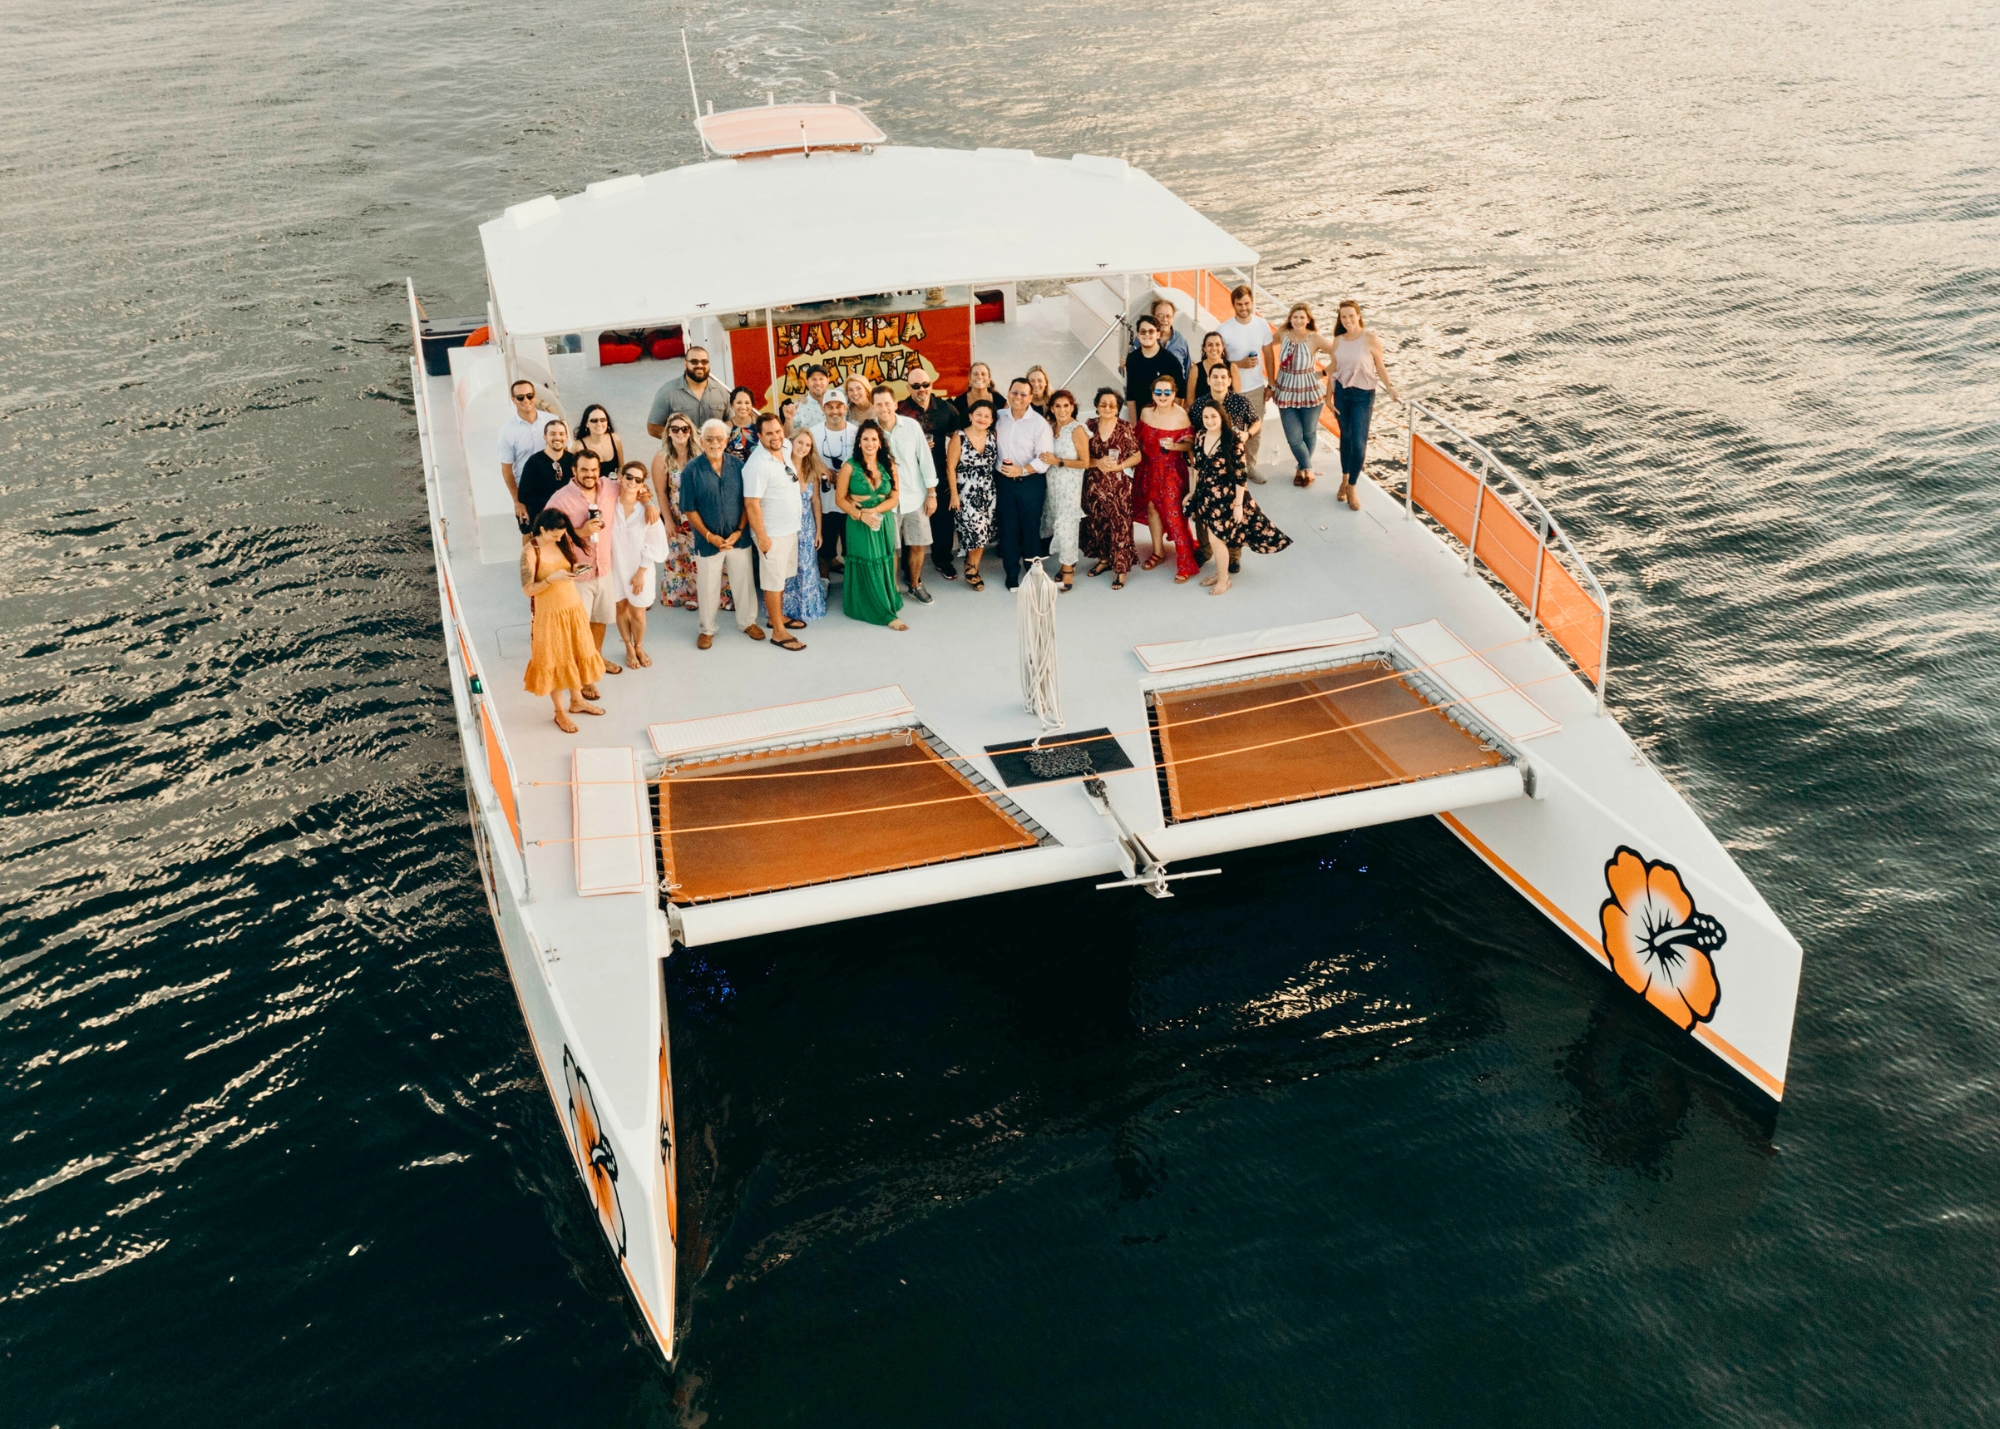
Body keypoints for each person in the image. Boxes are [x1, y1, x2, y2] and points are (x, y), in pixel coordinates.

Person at [1186, 403, 1291, 595]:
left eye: (1213, 416)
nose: (1209, 421)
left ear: (1221, 417)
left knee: (1216, 540)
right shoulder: (1201, 435)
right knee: (1216, 538)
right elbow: (1198, 468)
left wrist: (1238, 505)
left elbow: (1240, 474)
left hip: (1227, 498)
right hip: (1207, 496)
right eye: (1206, 417)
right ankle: (1221, 574)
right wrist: (1193, 492)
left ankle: (1224, 580)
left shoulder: (1232, 438)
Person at [520, 509, 606, 732]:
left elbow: (564, 566)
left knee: (575, 655)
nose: (559, 539)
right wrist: (551, 579)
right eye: (555, 535)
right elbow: (528, 590)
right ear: (542, 529)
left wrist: (573, 570)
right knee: (555, 660)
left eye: (561, 535)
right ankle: (559, 712)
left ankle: (577, 701)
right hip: (549, 615)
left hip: (572, 608)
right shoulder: (530, 551)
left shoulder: (561, 542)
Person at [681, 419, 763, 649]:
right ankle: (707, 629)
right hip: (708, 541)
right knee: (708, 586)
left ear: (727, 440)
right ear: (701, 441)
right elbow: (689, 508)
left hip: (738, 538)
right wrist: (709, 536)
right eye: (709, 439)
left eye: (719, 439)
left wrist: (739, 531)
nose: (714, 443)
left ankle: (748, 622)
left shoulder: (738, 466)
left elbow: (747, 501)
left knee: (744, 582)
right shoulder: (691, 470)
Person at [544, 451, 624, 676]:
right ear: (574, 471)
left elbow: (633, 487)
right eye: (584, 470)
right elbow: (545, 536)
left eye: (594, 470)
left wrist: (649, 503)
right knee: (578, 626)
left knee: (599, 620)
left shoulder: (608, 487)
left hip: (603, 570)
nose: (590, 475)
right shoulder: (560, 500)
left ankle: (596, 658)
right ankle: (584, 671)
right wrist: (580, 532)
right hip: (577, 575)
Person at [1329, 299, 1404, 512]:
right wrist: (1327, 397)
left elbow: (1380, 366)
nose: (1347, 320)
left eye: (1351, 316)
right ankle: (1344, 479)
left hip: (1363, 396)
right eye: (1344, 317)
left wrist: (1390, 387)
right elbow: (1334, 369)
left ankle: (1352, 486)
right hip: (1341, 394)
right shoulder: (1338, 340)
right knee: (1346, 438)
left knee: (1359, 443)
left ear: (1358, 316)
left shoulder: (1370, 339)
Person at [742, 412, 807, 652]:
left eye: (778, 431)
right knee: (773, 583)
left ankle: (774, 618)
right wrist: (762, 538)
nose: (776, 436)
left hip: (790, 529)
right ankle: (778, 632)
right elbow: (751, 504)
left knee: (781, 578)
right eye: (769, 433)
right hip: (772, 535)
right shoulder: (757, 465)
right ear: (759, 436)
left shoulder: (786, 447)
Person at [870, 386, 939, 603]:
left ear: (895, 404)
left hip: (915, 497)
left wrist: (931, 494)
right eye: (879, 404)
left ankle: (915, 584)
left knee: (918, 544)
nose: (884, 408)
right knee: (890, 549)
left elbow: (925, 460)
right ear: (873, 407)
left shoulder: (911, 426)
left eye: (887, 403)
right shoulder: (869, 432)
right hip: (885, 502)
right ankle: (892, 590)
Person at [837, 421, 908, 630]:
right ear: (859, 442)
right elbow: (839, 499)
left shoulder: (889, 465)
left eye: (874, 439)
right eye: (865, 439)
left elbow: (894, 498)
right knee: (868, 560)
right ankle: (882, 612)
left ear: (880, 442)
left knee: (884, 559)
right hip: (859, 523)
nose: (869, 443)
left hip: (883, 521)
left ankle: (886, 598)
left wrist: (874, 511)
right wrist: (861, 515)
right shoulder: (849, 466)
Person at [900, 364, 964, 579]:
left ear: (931, 385)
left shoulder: (946, 409)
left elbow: (957, 437)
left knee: (943, 521)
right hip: (910, 478)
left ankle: (943, 560)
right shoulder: (900, 411)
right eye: (916, 385)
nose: (921, 389)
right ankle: (909, 569)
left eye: (925, 384)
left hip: (939, 475)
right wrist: (915, 446)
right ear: (908, 388)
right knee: (911, 524)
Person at [1270, 301, 1342, 487]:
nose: (1298, 321)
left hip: (1309, 390)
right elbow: (1265, 343)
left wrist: (1323, 372)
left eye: (1302, 317)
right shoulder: (1283, 333)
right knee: (1294, 438)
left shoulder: (1314, 338)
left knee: (1309, 433)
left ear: (1308, 319)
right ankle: (1308, 467)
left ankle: (1301, 469)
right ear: (1290, 319)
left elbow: (1338, 354)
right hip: (1285, 390)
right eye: (1295, 317)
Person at [994, 377, 1055, 589]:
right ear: (1008, 393)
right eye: (1014, 392)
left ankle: (1033, 573)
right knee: (1008, 529)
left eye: (1023, 394)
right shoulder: (998, 417)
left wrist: (1021, 470)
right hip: (1004, 483)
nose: (1018, 397)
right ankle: (1011, 574)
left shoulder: (1039, 424)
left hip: (1030, 483)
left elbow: (1044, 460)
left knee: (1030, 529)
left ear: (1030, 398)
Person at [1136, 376, 1198, 582]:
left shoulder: (1181, 415)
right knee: (1151, 509)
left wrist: (1175, 446)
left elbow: (1190, 445)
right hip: (1148, 469)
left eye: (1167, 392)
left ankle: (1185, 562)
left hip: (1172, 472)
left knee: (1174, 515)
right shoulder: (1146, 412)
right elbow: (1137, 439)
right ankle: (1158, 551)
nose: (1162, 396)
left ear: (1174, 394)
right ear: (1153, 394)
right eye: (1158, 392)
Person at [608, 460, 669, 665]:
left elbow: (655, 544)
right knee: (620, 608)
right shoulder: (610, 504)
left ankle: (639, 646)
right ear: (620, 477)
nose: (632, 482)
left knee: (638, 612)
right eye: (629, 477)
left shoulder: (646, 511)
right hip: (616, 567)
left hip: (640, 568)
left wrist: (641, 573)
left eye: (638, 479)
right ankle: (628, 646)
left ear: (643, 484)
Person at [1081, 388, 1141, 589]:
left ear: (1117, 408)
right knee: (1097, 523)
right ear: (1097, 406)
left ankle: (1120, 568)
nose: (1107, 408)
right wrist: (1096, 461)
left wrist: (1120, 466)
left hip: (1118, 485)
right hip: (1093, 485)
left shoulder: (1124, 427)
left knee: (1120, 525)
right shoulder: (1089, 426)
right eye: (1103, 404)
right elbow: (1081, 456)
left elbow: (1137, 455)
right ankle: (1105, 560)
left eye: (1112, 405)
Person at [1217, 285, 1276, 480]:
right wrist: (1240, 364)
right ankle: (1229, 468)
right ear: (1233, 305)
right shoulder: (1224, 330)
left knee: (1255, 430)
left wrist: (1271, 385)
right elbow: (1218, 362)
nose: (1244, 308)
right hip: (1231, 389)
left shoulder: (1261, 324)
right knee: (1230, 430)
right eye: (1239, 304)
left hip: (1256, 387)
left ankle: (1249, 466)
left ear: (1252, 302)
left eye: (1247, 303)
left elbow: (1269, 355)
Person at [649, 414, 701, 610]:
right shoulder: (661, 457)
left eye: (684, 428)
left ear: (690, 431)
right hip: (677, 514)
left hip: (698, 513)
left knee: (699, 555)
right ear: (668, 432)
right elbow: (661, 492)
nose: (680, 432)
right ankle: (683, 594)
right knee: (680, 555)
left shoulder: (699, 454)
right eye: (675, 429)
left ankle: (701, 594)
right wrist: (668, 521)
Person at [947, 399, 1000, 590]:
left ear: (991, 420)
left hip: (988, 491)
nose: (982, 419)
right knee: (976, 529)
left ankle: (974, 566)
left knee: (983, 531)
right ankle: (971, 567)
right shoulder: (959, 437)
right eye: (978, 414)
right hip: (966, 492)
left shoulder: (993, 436)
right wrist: (954, 495)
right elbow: (950, 468)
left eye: (987, 416)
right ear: (970, 416)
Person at [1041, 390, 1087, 590]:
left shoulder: (1077, 429)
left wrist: (1058, 461)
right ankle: (1066, 561)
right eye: (1058, 406)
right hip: (1051, 485)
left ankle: (1068, 568)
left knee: (1067, 524)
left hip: (1070, 485)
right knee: (1056, 523)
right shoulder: (1049, 429)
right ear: (1051, 408)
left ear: (1072, 407)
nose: (1062, 410)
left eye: (1066, 405)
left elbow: (1085, 462)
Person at [783, 429, 828, 624]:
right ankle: (785, 610)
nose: (803, 447)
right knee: (787, 568)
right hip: (785, 526)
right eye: (800, 442)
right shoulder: (782, 467)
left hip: (807, 526)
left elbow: (816, 501)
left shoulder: (811, 470)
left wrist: (818, 531)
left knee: (806, 567)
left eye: (808, 445)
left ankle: (807, 608)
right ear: (791, 442)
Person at [809, 392, 856, 577]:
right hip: (824, 501)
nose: (834, 411)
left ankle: (852, 584)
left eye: (839, 407)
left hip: (849, 501)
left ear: (845, 408)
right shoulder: (813, 432)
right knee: (824, 548)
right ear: (823, 409)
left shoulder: (855, 432)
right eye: (830, 407)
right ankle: (824, 581)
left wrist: (842, 476)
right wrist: (822, 468)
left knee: (851, 549)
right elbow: (806, 457)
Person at [500, 379, 556, 529]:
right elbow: (506, 469)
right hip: (527, 490)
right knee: (529, 531)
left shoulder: (552, 421)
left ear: (535, 396)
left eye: (529, 395)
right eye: (520, 397)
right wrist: (517, 501)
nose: (526, 400)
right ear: (513, 400)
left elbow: (566, 453)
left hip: (553, 486)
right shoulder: (507, 432)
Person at [646, 345, 728, 439]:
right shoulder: (667, 392)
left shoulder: (721, 391)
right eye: (694, 362)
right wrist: (680, 439)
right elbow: (653, 428)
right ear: (685, 364)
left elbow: (730, 423)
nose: (700, 365)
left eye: (704, 362)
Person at [1123, 315, 1185, 425]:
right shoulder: (1132, 359)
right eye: (1143, 332)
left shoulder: (1171, 361)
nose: (1147, 335)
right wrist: (1134, 426)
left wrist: (1171, 422)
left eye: (1151, 331)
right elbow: (1131, 395)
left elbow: (1179, 395)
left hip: (1165, 421)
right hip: (1142, 420)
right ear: (1138, 335)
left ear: (1158, 334)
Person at [515, 417, 572, 525]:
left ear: (566, 437)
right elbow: (524, 495)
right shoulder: (534, 462)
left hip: (569, 516)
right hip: (543, 517)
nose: (557, 437)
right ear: (545, 437)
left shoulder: (573, 460)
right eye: (552, 434)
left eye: (561, 434)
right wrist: (554, 503)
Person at [1188, 360, 1258, 444]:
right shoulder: (1198, 404)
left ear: (1229, 381)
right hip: (1206, 450)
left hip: (1233, 449)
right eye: (1215, 377)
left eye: (1223, 377)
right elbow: (1190, 428)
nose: (1219, 380)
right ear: (1208, 380)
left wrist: (1247, 434)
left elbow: (1256, 420)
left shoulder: (1240, 401)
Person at [1127, 295, 1191, 376]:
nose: (1164, 319)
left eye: (1168, 316)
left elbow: (1188, 371)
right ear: (1154, 317)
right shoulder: (1143, 338)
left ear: (1173, 318)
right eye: (1160, 315)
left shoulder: (1181, 340)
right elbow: (1129, 367)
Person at [570, 403, 624, 479]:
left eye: (603, 420)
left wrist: (617, 481)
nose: (599, 424)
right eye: (594, 421)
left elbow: (621, 466)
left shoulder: (615, 439)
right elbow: (572, 473)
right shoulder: (578, 446)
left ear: (607, 422)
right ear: (586, 424)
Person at [1186, 330, 1237, 405]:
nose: (1214, 348)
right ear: (1204, 348)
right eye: (1210, 345)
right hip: (1202, 411)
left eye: (1217, 344)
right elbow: (1190, 400)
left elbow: (1236, 398)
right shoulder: (1195, 370)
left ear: (1222, 347)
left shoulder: (1232, 368)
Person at [724, 387, 760, 460]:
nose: (743, 407)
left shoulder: (760, 424)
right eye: (739, 403)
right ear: (731, 404)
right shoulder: (724, 428)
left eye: (747, 403)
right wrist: (729, 457)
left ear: (752, 405)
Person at [794, 365, 831, 433]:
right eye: (814, 379)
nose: (818, 383)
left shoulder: (840, 398)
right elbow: (789, 435)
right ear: (807, 382)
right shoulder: (798, 407)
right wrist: (788, 420)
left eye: (821, 379)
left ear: (828, 381)